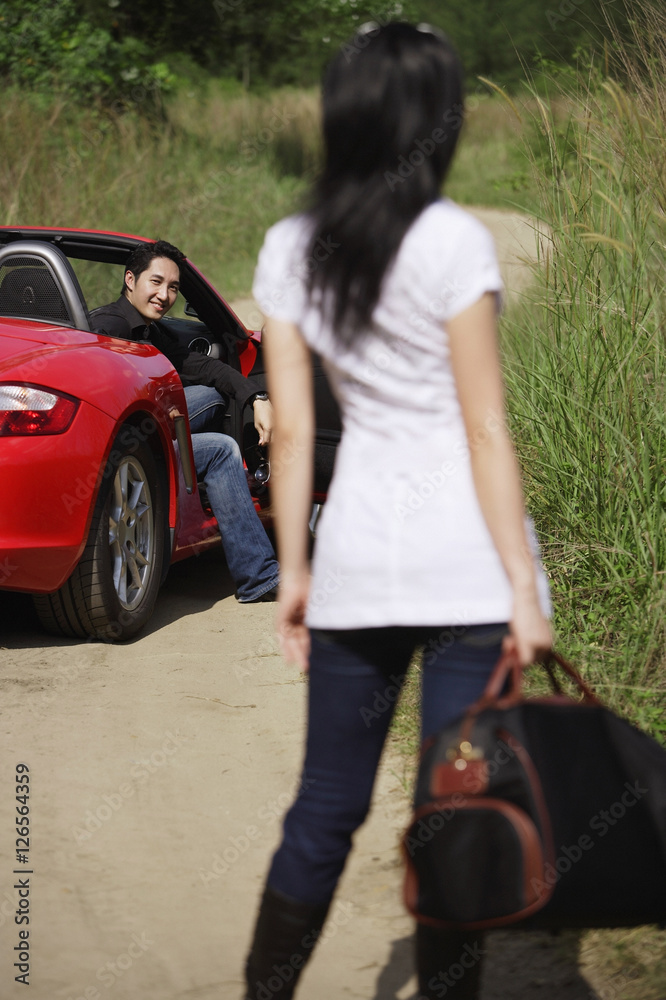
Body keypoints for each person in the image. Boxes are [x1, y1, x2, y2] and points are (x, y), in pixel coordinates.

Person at [243, 21, 553, 1000]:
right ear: (438, 121)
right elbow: (485, 428)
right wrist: (525, 586)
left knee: (324, 807)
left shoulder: (292, 246)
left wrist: (294, 570)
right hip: (465, 571)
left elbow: (289, 434)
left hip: (356, 569)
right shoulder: (456, 239)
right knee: (454, 809)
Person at [91, 241, 279, 603]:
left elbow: (202, 367)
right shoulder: (109, 329)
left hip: (139, 434)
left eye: (173, 287)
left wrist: (257, 397)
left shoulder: (151, 331)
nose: (165, 295)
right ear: (130, 279)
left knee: (212, 394)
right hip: (123, 447)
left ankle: (246, 552)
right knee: (222, 449)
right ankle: (258, 577)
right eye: (156, 282)